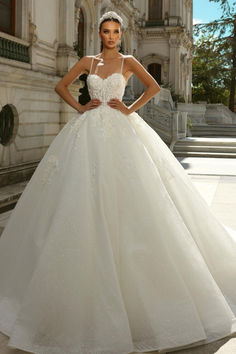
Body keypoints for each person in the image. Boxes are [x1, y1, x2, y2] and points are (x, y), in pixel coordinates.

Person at [0, 10, 235, 354]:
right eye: (106, 31)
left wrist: (130, 108)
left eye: (115, 32)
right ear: (99, 33)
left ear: (121, 34)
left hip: (121, 132)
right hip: (87, 130)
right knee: (76, 197)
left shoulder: (127, 61)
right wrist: (81, 109)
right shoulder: (88, 61)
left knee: (135, 201)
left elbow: (154, 87)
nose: (110, 36)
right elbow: (60, 85)